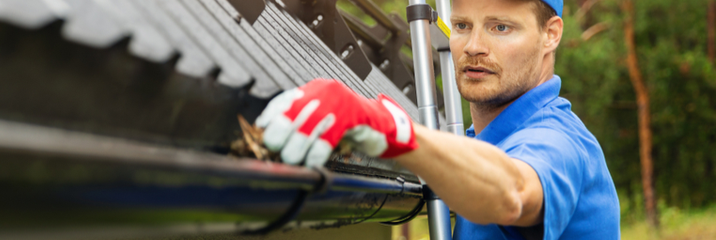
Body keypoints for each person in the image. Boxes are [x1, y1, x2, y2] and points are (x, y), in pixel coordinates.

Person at [254, 0, 620, 239]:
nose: (474, 46)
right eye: (461, 26)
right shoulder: (481, 142)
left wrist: (396, 132)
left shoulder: (560, 140)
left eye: (500, 27)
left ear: (550, 35)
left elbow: (514, 192)